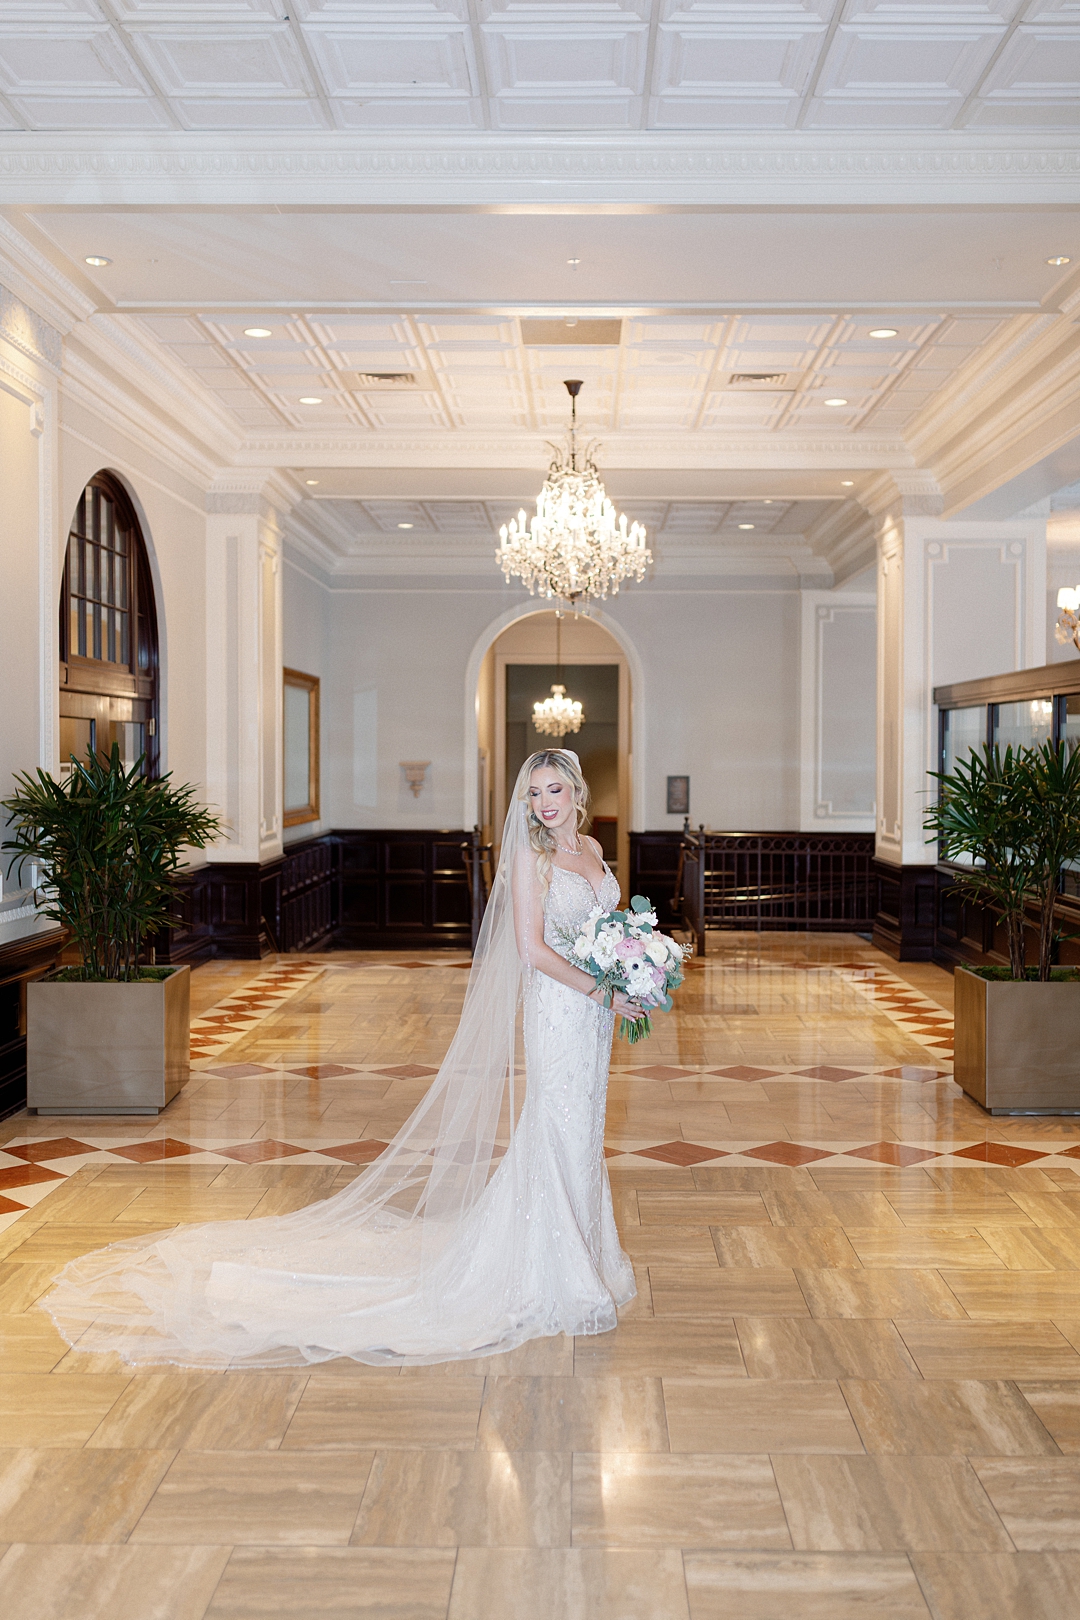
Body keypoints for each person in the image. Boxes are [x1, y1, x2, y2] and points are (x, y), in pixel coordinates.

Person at [43, 748, 638, 1367]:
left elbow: (609, 926)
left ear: (576, 792)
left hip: (595, 1016)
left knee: (583, 1128)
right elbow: (531, 949)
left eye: (554, 791)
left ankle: (585, 1253)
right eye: (535, 793)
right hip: (559, 1010)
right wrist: (604, 988)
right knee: (556, 1122)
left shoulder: (592, 854)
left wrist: (632, 970)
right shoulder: (530, 857)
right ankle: (555, 1270)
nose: (544, 803)